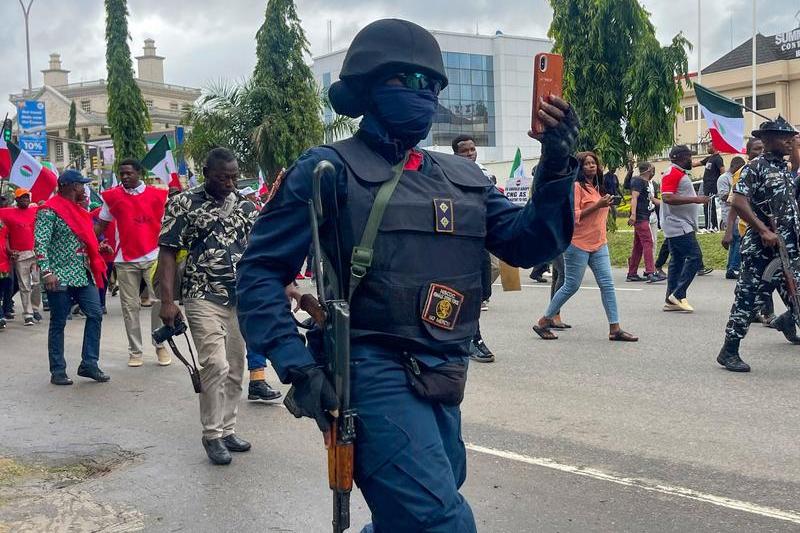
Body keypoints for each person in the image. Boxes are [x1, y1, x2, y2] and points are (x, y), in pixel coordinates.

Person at [236, 18, 578, 532]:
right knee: (438, 523)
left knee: (413, 512)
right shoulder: (326, 169)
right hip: (371, 365)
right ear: (367, 89)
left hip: (446, 365)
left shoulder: (463, 176)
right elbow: (260, 273)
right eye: (407, 82)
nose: (423, 94)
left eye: (432, 85)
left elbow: (530, 244)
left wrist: (556, 167)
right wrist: (298, 367)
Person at [157, 147, 264, 465]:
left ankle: (228, 429)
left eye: (233, 176)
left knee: (235, 367)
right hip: (200, 293)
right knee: (215, 365)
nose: (230, 182)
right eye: (222, 177)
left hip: (239, 297)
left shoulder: (246, 206)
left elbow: (258, 249)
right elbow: (167, 252)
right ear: (206, 173)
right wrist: (167, 301)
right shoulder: (183, 203)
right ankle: (212, 434)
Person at [717, 118, 800, 372]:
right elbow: (739, 202)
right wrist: (763, 230)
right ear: (767, 140)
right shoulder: (755, 168)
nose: (789, 141)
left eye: (791, 137)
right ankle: (729, 351)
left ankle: (787, 320)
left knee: (796, 293)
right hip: (761, 248)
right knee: (747, 298)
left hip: (786, 247)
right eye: (784, 137)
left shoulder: (784, 169)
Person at [533, 151, 637, 342]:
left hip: (599, 243)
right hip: (577, 244)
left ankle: (615, 328)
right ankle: (544, 320)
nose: (591, 166)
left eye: (594, 163)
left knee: (607, 284)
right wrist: (598, 205)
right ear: (579, 168)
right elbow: (574, 215)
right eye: (586, 164)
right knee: (571, 285)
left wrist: (606, 203)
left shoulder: (598, 187)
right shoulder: (575, 187)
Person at [34, 170, 109, 386]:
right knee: (58, 322)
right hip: (59, 275)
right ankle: (58, 369)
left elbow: (85, 238)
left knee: (95, 314)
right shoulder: (49, 211)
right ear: (68, 185)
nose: (83, 188)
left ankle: (89, 363)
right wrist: (46, 272)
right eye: (80, 185)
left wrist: (98, 247)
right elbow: (41, 243)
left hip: (83, 273)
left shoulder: (79, 210)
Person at [95, 158, 171, 367]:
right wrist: (89, 242)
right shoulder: (111, 197)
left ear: (139, 174)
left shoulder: (158, 195)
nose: (125, 177)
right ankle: (135, 351)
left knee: (159, 303)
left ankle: (160, 344)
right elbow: (101, 225)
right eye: (122, 174)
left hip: (154, 256)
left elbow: (171, 223)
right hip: (124, 259)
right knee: (130, 307)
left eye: (129, 173)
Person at [452, 133, 495, 363]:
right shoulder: (447, 176)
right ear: (455, 154)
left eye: (472, 149)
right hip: (459, 243)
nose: (470, 153)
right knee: (469, 292)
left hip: (482, 240)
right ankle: (473, 339)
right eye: (464, 151)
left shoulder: (484, 174)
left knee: (482, 290)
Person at [660, 145, 710, 312]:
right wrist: (696, 200)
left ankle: (670, 299)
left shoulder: (678, 173)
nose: (691, 160)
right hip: (678, 224)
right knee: (695, 258)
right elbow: (667, 198)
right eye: (689, 156)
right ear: (679, 157)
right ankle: (678, 294)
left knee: (677, 261)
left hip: (679, 224)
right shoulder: (673, 173)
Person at [0, 188, 42, 325]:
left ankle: (35, 308)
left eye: (27, 197)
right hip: (19, 255)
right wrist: (10, 250)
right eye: (22, 198)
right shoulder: (7, 213)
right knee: (24, 285)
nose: (25, 200)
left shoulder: (34, 211)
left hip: (34, 253)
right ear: (16, 200)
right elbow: (5, 234)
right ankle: (28, 315)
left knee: (36, 283)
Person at [626, 162, 664, 283]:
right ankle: (650, 272)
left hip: (645, 216)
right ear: (648, 170)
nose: (653, 171)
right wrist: (633, 215)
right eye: (652, 169)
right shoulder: (638, 181)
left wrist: (667, 204)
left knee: (638, 246)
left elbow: (652, 199)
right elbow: (634, 197)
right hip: (640, 217)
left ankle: (632, 273)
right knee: (648, 242)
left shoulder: (647, 183)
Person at [717, 156, 746, 279]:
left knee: (735, 242)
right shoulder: (724, 178)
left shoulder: (737, 176)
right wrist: (734, 192)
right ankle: (734, 268)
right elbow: (723, 196)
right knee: (737, 240)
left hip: (738, 213)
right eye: (739, 168)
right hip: (729, 213)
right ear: (733, 166)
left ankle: (731, 267)